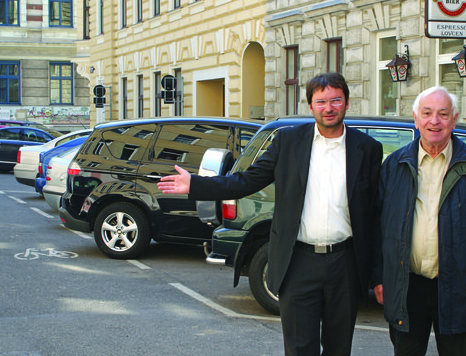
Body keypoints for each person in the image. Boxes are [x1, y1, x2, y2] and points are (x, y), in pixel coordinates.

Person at [158, 72, 384, 356]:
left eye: (336, 100)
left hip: (346, 263)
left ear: (347, 103)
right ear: (311, 105)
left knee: (339, 349)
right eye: (321, 101)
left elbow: (375, 216)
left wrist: (378, 274)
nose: (329, 108)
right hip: (298, 261)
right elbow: (247, 180)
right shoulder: (289, 141)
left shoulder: (368, 149)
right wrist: (196, 184)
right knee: (300, 348)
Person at [376, 86, 466, 356]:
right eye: (427, 113)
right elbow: (378, 226)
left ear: (454, 120)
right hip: (407, 288)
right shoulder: (394, 165)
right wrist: (378, 278)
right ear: (415, 119)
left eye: (442, 114)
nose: (434, 121)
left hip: (459, 288)